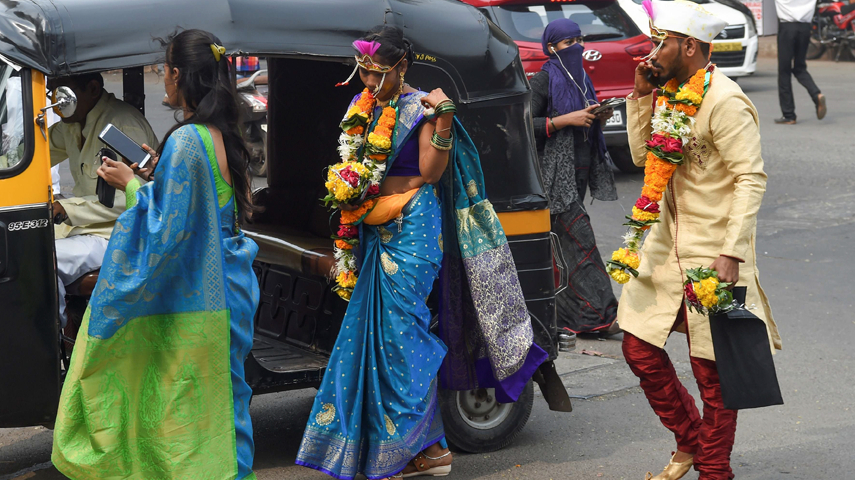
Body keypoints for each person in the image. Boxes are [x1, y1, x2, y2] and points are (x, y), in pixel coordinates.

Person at [295, 25, 547, 480]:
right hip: (373, 227)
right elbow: (357, 163)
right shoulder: (362, 106)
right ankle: (415, 448)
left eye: (377, 74)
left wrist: (444, 118)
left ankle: (424, 449)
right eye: (364, 73)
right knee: (370, 336)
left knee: (402, 332)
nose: (369, 83)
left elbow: (430, 173)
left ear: (402, 66)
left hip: (413, 225)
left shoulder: (422, 107)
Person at [51, 29, 260, 480]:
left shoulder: (186, 141)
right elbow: (196, 208)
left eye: (165, 68)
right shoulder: (216, 132)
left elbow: (165, 229)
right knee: (222, 406)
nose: (163, 77)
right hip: (230, 283)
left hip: (200, 299)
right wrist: (154, 173)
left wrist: (130, 182)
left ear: (178, 75)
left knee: (186, 414)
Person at [618, 1, 781, 479]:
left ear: (688, 46)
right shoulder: (665, 94)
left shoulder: (726, 101)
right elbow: (636, 157)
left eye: (659, 43)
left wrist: (732, 250)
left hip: (713, 256)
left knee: (714, 376)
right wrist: (640, 97)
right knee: (638, 348)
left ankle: (714, 469)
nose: (650, 53)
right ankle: (690, 442)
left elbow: (751, 179)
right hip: (664, 250)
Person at [530, 18, 620, 336]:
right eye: (569, 43)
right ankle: (601, 315)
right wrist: (565, 120)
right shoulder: (543, 80)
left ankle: (572, 318)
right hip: (557, 178)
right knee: (583, 244)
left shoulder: (580, 77)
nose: (577, 47)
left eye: (579, 40)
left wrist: (597, 115)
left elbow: (584, 120)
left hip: (581, 171)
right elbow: (524, 125)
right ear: (552, 47)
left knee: (568, 249)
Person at [47, 73, 158, 328]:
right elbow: (34, 153)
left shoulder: (122, 124)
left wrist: (67, 207)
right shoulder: (72, 124)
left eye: (63, 93)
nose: (56, 101)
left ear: (93, 89)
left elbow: (137, 195)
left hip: (119, 234)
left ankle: (56, 343)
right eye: (52, 92)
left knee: (40, 259)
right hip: (86, 231)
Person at [774, 0, 827, 124]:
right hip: (805, 28)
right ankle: (816, 94)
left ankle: (789, 114)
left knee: (784, 70)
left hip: (787, 27)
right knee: (800, 67)